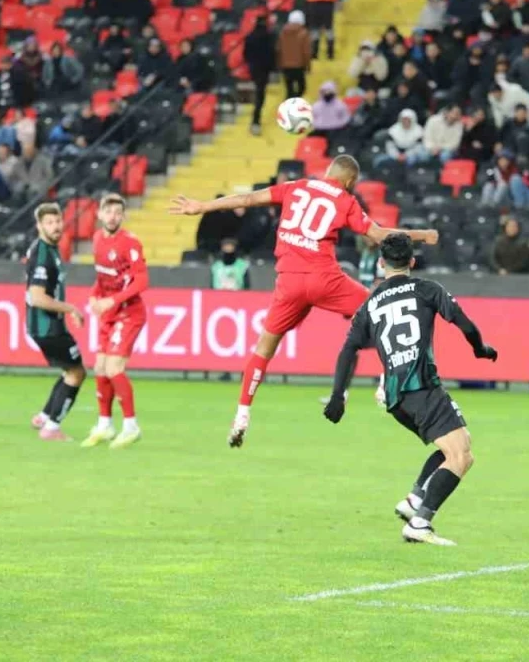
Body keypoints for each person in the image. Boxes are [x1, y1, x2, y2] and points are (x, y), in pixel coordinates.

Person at [169, 155, 439, 448]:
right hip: (325, 279)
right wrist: (423, 235)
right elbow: (378, 236)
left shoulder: (294, 187)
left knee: (263, 349)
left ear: (329, 171)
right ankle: (386, 383)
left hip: (290, 283)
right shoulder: (345, 200)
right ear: (350, 181)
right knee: (386, 311)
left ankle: (241, 414)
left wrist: (202, 206)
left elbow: (247, 199)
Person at [323, 232, 497, 546]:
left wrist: (338, 395)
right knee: (461, 456)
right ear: (412, 262)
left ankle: (415, 499)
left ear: (381, 263)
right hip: (421, 386)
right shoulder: (427, 289)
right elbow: (464, 323)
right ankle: (420, 522)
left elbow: (348, 350)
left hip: (394, 397)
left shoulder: (370, 304)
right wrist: (480, 349)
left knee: (456, 445)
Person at [80, 194, 146, 450]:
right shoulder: (97, 239)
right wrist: (94, 296)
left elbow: (142, 281)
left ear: (123, 216)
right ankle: (104, 425)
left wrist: (112, 300)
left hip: (129, 312)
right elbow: (103, 277)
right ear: (99, 214)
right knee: (100, 368)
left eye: (118, 212)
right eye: (108, 212)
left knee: (114, 368)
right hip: (109, 313)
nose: (113, 217)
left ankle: (131, 426)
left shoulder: (130, 242)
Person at [25, 203, 88, 442]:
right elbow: (37, 297)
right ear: (39, 226)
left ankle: (43, 417)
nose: (56, 227)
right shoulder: (43, 254)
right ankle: (51, 428)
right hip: (48, 327)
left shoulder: (49, 249)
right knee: (77, 373)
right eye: (49, 223)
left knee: (69, 370)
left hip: (47, 326)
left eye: (58, 221)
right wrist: (70, 308)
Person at [244, 14, 276, 134]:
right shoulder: (269, 36)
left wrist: (250, 63)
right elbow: (273, 53)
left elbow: (245, 54)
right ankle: (256, 119)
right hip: (264, 68)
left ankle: (255, 119)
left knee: (258, 91)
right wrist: (273, 67)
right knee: (260, 93)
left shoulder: (250, 36)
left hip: (254, 68)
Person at [277, 9, 312, 102]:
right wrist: (308, 66)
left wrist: (279, 64)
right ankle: (295, 101)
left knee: (289, 89)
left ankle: (289, 104)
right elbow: (306, 52)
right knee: (302, 88)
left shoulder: (283, 33)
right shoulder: (304, 33)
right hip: (299, 66)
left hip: (285, 66)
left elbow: (279, 49)